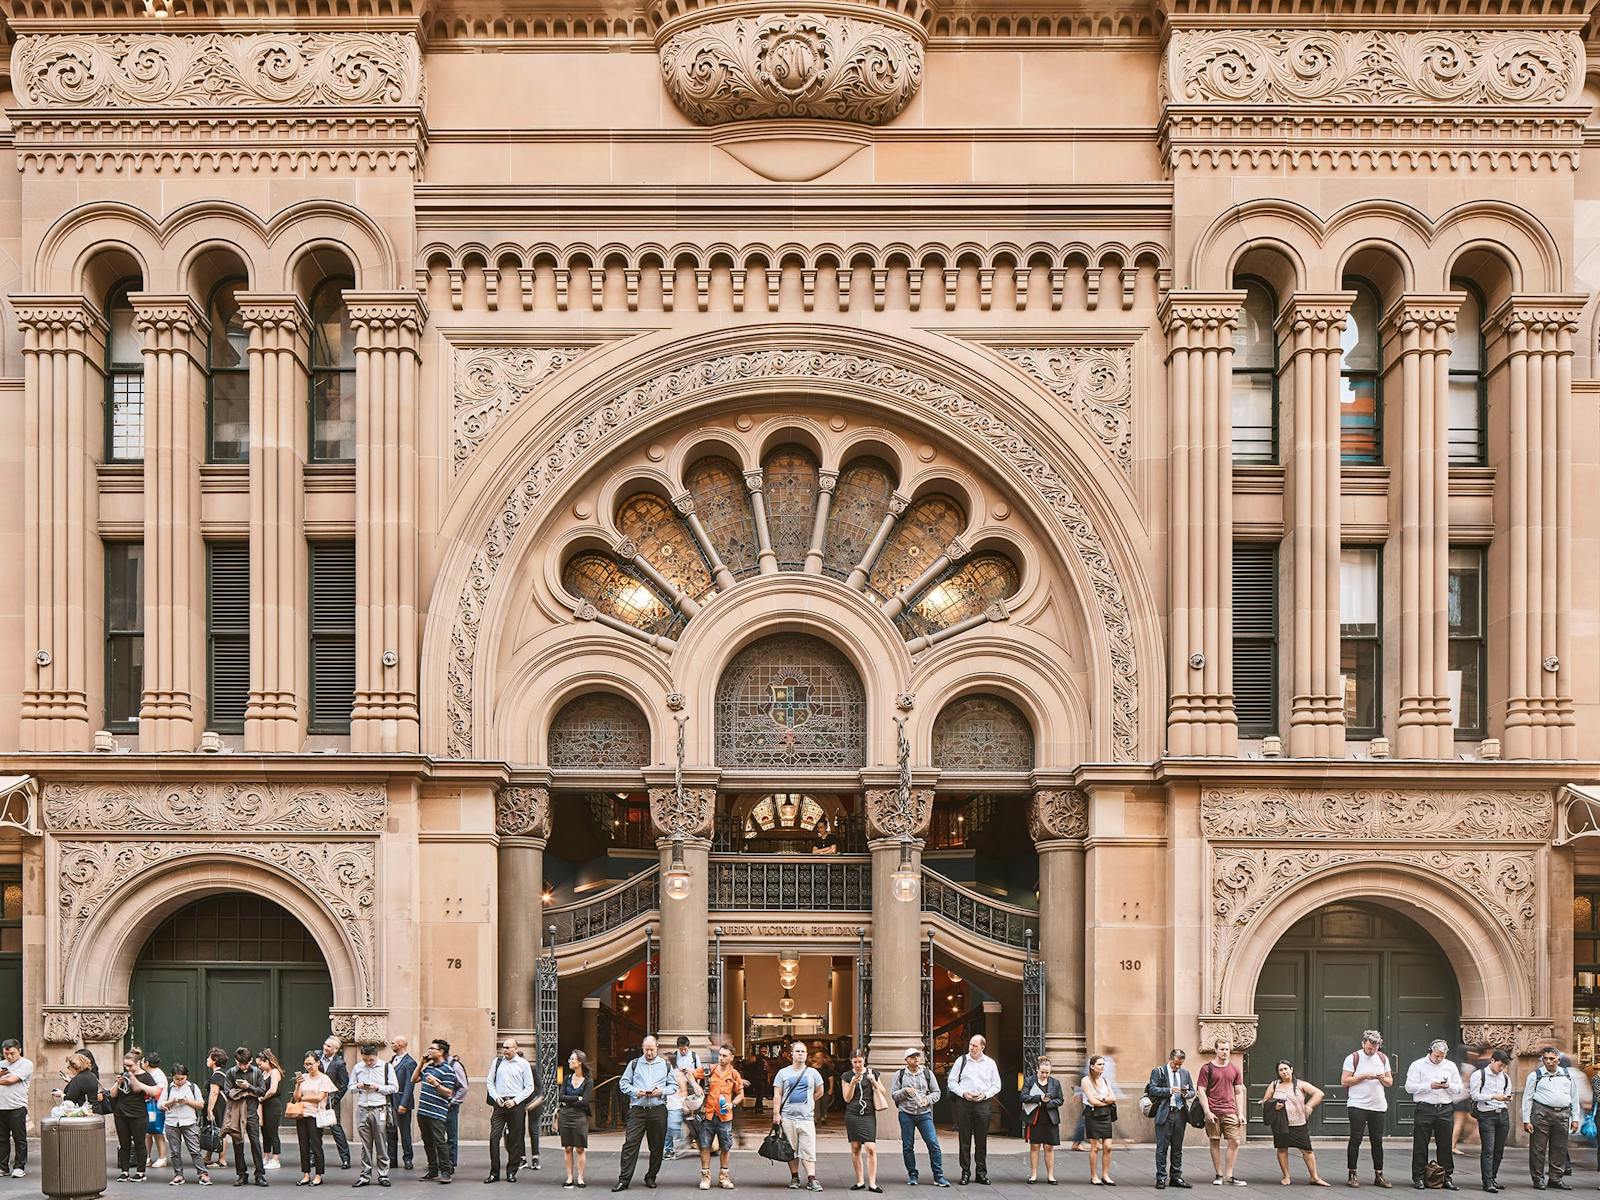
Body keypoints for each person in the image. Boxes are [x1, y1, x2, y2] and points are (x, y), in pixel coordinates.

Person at [612, 1034, 675, 1192]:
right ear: (642, 1047)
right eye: (646, 1050)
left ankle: (651, 1176)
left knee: (657, 1146)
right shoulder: (634, 1064)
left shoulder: (665, 1065)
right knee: (630, 1144)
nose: (649, 1053)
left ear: (657, 1048)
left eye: (652, 1050)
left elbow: (673, 1086)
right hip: (638, 1110)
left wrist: (661, 1091)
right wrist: (636, 1091)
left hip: (658, 1109)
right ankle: (624, 1179)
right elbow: (623, 1083)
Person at [1407, 1039, 1464, 1190]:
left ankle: (1446, 1177)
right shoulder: (1417, 1065)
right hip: (1425, 1107)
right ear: (1430, 1052)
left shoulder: (1450, 1066)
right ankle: (1418, 1177)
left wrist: (1448, 1085)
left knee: (1445, 1145)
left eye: (1442, 1056)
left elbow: (1459, 1088)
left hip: (1445, 1107)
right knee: (1421, 1144)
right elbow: (1409, 1087)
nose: (1439, 1059)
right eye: (1436, 1056)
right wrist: (1429, 1086)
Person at [1522, 1045, 1581, 1191]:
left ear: (1558, 1060)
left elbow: (1574, 1098)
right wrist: (1526, 1120)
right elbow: (1527, 1098)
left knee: (1560, 1148)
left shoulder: (1567, 1075)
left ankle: (1556, 1178)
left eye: (1551, 1059)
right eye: (1545, 1059)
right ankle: (1538, 1179)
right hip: (1541, 1114)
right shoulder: (1535, 1075)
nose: (1548, 1061)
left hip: (1562, 1115)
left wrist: (1575, 1118)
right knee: (1538, 1149)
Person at [1341, 1030, 1394, 1189]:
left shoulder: (1383, 1058)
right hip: (1358, 1104)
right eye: (1370, 1048)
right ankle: (1352, 1173)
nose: (1372, 1051)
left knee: (1377, 1141)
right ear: (1363, 1043)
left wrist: (1383, 1078)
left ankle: (1379, 1174)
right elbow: (1345, 1081)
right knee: (1356, 1138)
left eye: (1375, 1048)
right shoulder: (1353, 1058)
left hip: (1378, 1105)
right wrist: (1363, 1076)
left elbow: (1390, 1081)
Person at [1261, 1061, 1328, 1186]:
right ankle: (1286, 1176)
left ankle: (1314, 1177)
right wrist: (1274, 1106)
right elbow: (1265, 1101)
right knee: (1282, 1149)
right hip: (1280, 1123)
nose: (1284, 1072)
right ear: (1278, 1073)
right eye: (1281, 1070)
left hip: (1298, 1122)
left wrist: (1309, 1106)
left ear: (1291, 1069)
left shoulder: (1301, 1084)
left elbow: (1319, 1093)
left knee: (1307, 1150)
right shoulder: (1274, 1085)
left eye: (1286, 1068)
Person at [892, 1047, 950, 1187]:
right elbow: (894, 1095)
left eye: (917, 1056)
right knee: (908, 1146)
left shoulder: (927, 1073)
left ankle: (938, 1176)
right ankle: (912, 1174)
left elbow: (937, 1092)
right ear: (906, 1060)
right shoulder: (900, 1074)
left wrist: (927, 1100)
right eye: (912, 1057)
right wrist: (905, 1091)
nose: (916, 1059)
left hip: (924, 1114)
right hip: (906, 1114)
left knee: (933, 1143)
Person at [773, 1040, 826, 1192]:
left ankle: (812, 1179)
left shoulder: (813, 1073)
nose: (800, 1054)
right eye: (797, 1051)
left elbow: (820, 1091)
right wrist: (776, 1114)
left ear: (806, 1055)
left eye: (803, 1051)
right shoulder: (783, 1073)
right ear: (791, 1055)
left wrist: (810, 1103)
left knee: (808, 1149)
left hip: (806, 1118)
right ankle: (794, 1177)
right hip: (788, 1117)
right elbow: (777, 1094)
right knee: (791, 1149)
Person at [948, 1035, 1000, 1186]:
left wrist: (985, 1095)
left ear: (982, 1047)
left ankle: (981, 1173)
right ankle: (965, 1172)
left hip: (982, 1103)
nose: (971, 1048)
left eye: (975, 1046)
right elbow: (952, 1081)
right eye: (970, 1045)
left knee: (981, 1140)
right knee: (964, 1139)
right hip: (964, 1102)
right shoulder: (961, 1060)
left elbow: (996, 1085)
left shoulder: (990, 1063)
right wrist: (963, 1093)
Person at [1197, 1040, 1247, 1188]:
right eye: (1222, 1049)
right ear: (1216, 1050)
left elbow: (1238, 1092)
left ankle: (1229, 1175)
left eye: (1227, 1049)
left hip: (1230, 1111)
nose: (1225, 1052)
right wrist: (1207, 1111)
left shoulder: (1235, 1069)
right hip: (1213, 1111)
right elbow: (1201, 1090)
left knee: (1235, 1141)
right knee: (1214, 1141)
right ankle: (1219, 1174)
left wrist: (1240, 1113)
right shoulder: (1207, 1069)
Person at [485, 1037, 536, 1183]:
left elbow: (529, 1087)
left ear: (516, 1048)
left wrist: (515, 1101)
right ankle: (494, 1173)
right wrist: (496, 1097)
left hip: (516, 1104)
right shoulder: (497, 1062)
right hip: (500, 1104)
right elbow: (490, 1082)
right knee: (494, 1137)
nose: (505, 1050)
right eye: (503, 1047)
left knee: (515, 1139)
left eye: (508, 1047)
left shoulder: (523, 1064)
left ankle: (511, 1171)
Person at [412, 1041, 462, 1184]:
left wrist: (436, 1084)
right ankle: (433, 1170)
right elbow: (414, 1079)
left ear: (440, 1052)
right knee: (427, 1141)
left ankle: (446, 1172)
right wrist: (421, 1063)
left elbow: (449, 1092)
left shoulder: (448, 1070)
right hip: (423, 1110)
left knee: (440, 1142)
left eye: (432, 1048)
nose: (429, 1050)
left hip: (437, 1111)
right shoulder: (429, 1067)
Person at [698, 1042, 745, 1191]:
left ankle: (723, 1177)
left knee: (725, 1147)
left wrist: (732, 1104)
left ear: (731, 1058)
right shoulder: (709, 1070)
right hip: (709, 1115)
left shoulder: (734, 1074)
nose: (721, 1058)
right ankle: (705, 1176)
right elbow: (691, 1075)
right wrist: (696, 1086)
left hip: (725, 1117)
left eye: (724, 1056)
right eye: (720, 1055)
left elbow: (740, 1094)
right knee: (705, 1146)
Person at [350, 1042, 397, 1188]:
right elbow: (350, 1087)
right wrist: (358, 1086)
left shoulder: (386, 1067)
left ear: (376, 1055)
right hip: (363, 1108)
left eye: (371, 1060)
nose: (368, 1062)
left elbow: (394, 1087)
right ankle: (365, 1175)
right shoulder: (357, 1067)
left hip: (379, 1108)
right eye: (365, 1059)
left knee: (381, 1143)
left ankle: (383, 1174)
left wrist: (378, 1087)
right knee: (365, 1144)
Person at [1148, 1048, 1195, 1190]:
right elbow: (1152, 1089)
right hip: (1165, 1113)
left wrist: (1187, 1094)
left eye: (1180, 1064)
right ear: (1170, 1059)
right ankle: (1161, 1177)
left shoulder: (1185, 1073)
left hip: (1180, 1113)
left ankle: (1176, 1177)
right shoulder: (1159, 1071)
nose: (1178, 1067)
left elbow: (1192, 1090)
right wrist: (1169, 1090)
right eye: (1176, 1064)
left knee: (1177, 1148)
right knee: (1162, 1147)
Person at [112, 1050, 162, 1181]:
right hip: (121, 1113)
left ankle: (140, 1171)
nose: (127, 1068)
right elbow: (112, 1094)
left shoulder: (145, 1076)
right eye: (125, 1065)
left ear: (137, 1063)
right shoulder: (124, 1075)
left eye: (130, 1065)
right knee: (124, 1144)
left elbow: (151, 1091)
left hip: (138, 1114)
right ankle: (124, 1171)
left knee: (140, 1142)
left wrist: (133, 1079)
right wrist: (118, 1083)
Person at [1468, 1049, 1513, 1192]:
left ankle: (1493, 1177)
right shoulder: (1479, 1075)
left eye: (1504, 1066)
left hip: (1503, 1114)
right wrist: (1493, 1097)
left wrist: (1506, 1098)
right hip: (1486, 1115)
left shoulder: (1505, 1077)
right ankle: (1487, 1182)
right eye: (1500, 1065)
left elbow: (1507, 1093)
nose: (1502, 1068)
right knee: (1488, 1149)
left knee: (1499, 1150)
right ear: (1492, 1060)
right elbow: (1474, 1095)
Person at [161, 1062, 212, 1186]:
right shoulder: (168, 1088)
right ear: (172, 1077)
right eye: (176, 1079)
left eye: (182, 1078)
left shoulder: (192, 1087)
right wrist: (172, 1101)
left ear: (187, 1077)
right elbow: (161, 1104)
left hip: (189, 1122)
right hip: (172, 1122)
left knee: (195, 1150)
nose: (179, 1081)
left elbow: (200, 1104)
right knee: (175, 1151)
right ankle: (178, 1174)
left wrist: (187, 1101)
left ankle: (203, 1174)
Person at [840, 1050, 884, 1193]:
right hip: (853, 1114)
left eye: (860, 1061)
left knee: (871, 1148)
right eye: (855, 1062)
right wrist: (852, 1083)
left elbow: (882, 1091)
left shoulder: (873, 1073)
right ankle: (860, 1181)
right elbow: (847, 1098)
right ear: (851, 1062)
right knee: (855, 1148)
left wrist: (873, 1081)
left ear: (864, 1060)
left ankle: (872, 1183)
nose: (858, 1065)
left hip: (868, 1114)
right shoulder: (846, 1076)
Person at [293, 1051, 337, 1186]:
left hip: (316, 1116)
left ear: (318, 1063)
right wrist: (298, 1085)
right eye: (306, 1064)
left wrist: (303, 1098)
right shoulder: (304, 1078)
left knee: (316, 1145)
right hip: (302, 1114)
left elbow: (319, 1098)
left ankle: (318, 1175)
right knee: (303, 1145)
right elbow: (296, 1097)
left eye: (311, 1064)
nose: (308, 1067)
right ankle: (306, 1174)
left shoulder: (324, 1079)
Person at [1022, 1056, 1065, 1185]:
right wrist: (1039, 1098)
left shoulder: (1055, 1083)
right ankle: (1033, 1174)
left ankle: (1050, 1175)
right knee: (1034, 1146)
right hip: (1035, 1117)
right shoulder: (1030, 1081)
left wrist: (1049, 1102)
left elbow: (1060, 1100)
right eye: (1042, 1072)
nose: (1045, 1075)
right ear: (1037, 1070)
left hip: (1050, 1118)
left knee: (1049, 1147)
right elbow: (1023, 1097)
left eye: (1047, 1072)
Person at [559, 1050, 594, 1188]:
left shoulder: (588, 1080)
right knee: (567, 1147)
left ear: (579, 1062)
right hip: (566, 1115)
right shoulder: (567, 1078)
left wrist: (570, 1100)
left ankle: (580, 1177)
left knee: (579, 1148)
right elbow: (561, 1096)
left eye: (572, 1059)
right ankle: (569, 1177)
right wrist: (576, 1098)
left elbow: (585, 1101)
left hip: (580, 1116)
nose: (569, 1061)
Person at [1081, 1055, 1118, 1186]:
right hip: (1092, 1115)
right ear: (1092, 1066)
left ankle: (1106, 1175)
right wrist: (1105, 1101)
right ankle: (1094, 1176)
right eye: (1099, 1064)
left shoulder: (1105, 1080)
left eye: (1103, 1064)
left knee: (1108, 1147)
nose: (1102, 1067)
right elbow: (1092, 1101)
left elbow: (1113, 1098)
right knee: (1095, 1147)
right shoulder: (1086, 1080)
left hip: (1105, 1115)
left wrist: (1101, 1099)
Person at [666, 1036, 704, 1161]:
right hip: (679, 1088)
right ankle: (691, 1140)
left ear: (688, 1047)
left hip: (692, 1087)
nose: (683, 1051)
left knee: (693, 1118)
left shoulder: (694, 1056)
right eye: (681, 1049)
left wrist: (691, 1075)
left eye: (685, 1049)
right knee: (686, 1118)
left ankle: (694, 1140)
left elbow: (699, 1071)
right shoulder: (675, 1056)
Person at [317, 1038, 353, 1171]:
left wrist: (334, 1100)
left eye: (329, 1046)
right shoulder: (316, 1056)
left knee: (336, 1128)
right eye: (325, 1044)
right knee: (315, 1128)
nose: (325, 1047)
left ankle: (345, 1158)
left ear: (336, 1050)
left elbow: (344, 1085)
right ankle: (313, 1157)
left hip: (331, 1100)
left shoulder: (339, 1063)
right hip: (315, 1098)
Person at [0, 1039, 33, 1179]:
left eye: (12, 1053)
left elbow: (10, 1080)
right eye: (6, 1054)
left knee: (19, 1139)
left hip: (17, 1106)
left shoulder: (26, 1064)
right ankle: (3, 1167)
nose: (9, 1057)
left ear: (19, 1050)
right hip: (1, 1106)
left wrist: (4, 1076)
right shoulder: (2, 1064)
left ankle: (19, 1166)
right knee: (2, 1139)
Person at [385, 1038, 416, 1172]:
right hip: (390, 1101)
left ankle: (408, 1158)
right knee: (390, 1131)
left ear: (401, 1044)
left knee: (405, 1132)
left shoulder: (410, 1062)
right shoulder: (391, 1061)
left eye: (394, 1043)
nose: (391, 1044)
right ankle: (392, 1159)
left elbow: (410, 1084)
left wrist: (403, 1104)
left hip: (403, 1102)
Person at [257, 1051, 285, 1171]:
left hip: (273, 1105)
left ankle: (275, 1159)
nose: (259, 1067)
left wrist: (261, 1098)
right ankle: (266, 1157)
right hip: (263, 1105)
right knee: (264, 1132)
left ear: (267, 1061)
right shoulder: (264, 1073)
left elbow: (273, 1089)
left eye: (260, 1064)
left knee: (273, 1132)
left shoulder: (274, 1072)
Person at [205, 1050, 232, 1174]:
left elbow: (214, 1092)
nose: (207, 1059)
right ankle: (208, 1157)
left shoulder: (217, 1075)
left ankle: (222, 1160)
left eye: (209, 1058)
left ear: (214, 1060)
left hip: (219, 1105)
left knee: (219, 1130)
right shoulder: (224, 1073)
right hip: (223, 1104)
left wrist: (210, 1109)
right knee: (214, 1129)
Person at [146, 1051, 170, 1169]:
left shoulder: (157, 1075)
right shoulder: (154, 1073)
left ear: (146, 1063)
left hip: (155, 1105)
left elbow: (158, 1091)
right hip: (152, 1105)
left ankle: (162, 1157)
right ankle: (147, 1156)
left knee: (157, 1131)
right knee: (148, 1132)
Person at [445, 1048, 468, 1170]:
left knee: (451, 1134)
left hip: (450, 1105)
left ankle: (451, 1162)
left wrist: (453, 1101)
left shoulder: (455, 1065)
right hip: (438, 1104)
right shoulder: (436, 1065)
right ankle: (441, 1161)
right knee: (437, 1135)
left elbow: (463, 1087)